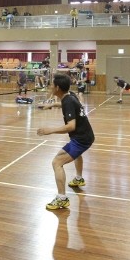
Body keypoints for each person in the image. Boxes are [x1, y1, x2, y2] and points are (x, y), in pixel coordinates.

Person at [37, 73, 95, 210]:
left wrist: (50, 130)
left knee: (57, 162)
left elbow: (71, 126)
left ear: (57, 87)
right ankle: (79, 178)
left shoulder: (68, 101)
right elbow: (67, 105)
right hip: (86, 135)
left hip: (81, 139)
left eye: (52, 85)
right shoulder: (70, 96)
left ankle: (62, 198)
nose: (50, 86)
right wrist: (52, 104)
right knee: (76, 154)